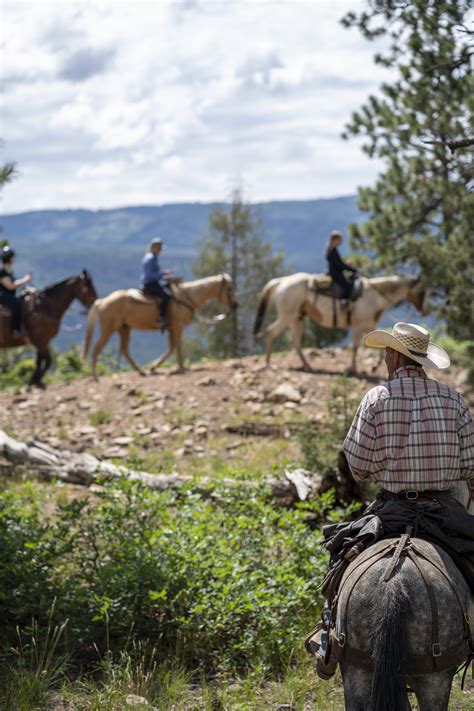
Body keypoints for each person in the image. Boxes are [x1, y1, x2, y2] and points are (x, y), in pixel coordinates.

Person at [310, 322, 473, 680]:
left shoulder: (376, 398)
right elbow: (471, 465)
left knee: (340, 559)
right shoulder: (453, 399)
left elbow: (358, 467)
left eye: (386, 352)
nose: (384, 358)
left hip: (391, 510)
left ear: (396, 356)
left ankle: (328, 641)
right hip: (444, 511)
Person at [140, 238, 173, 329]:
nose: (160, 251)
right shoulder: (151, 258)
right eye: (159, 249)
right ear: (155, 249)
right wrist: (162, 275)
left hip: (152, 282)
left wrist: (163, 274)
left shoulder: (151, 257)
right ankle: (161, 318)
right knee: (167, 296)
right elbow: (150, 274)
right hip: (150, 284)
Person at [0, 246, 32, 337]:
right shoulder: (2, 272)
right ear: (8, 258)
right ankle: (16, 329)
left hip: (8, 295)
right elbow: (11, 286)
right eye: (13, 257)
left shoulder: (8, 270)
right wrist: (25, 279)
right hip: (3, 296)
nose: (14, 259)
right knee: (17, 304)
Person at [325, 230, 357, 305]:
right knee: (347, 285)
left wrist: (346, 264)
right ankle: (343, 301)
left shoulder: (331, 249)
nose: (341, 241)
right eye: (340, 239)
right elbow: (340, 265)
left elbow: (338, 263)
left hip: (334, 272)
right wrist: (353, 269)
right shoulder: (333, 250)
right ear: (335, 239)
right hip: (335, 274)